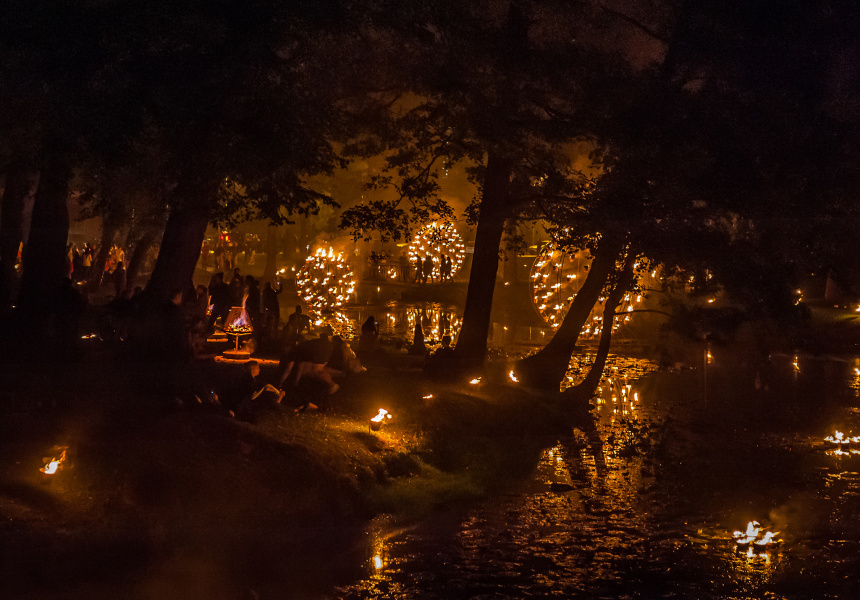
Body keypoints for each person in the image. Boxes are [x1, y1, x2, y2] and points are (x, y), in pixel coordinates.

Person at [278, 328, 339, 394]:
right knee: (318, 369)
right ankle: (339, 374)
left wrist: (280, 383)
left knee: (316, 372)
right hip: (324, 350)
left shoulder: (292, 353)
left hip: (320, 352)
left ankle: (332, 384)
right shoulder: (298, 348)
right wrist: (296, 382)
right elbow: (300, 367)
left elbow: (288, 370)